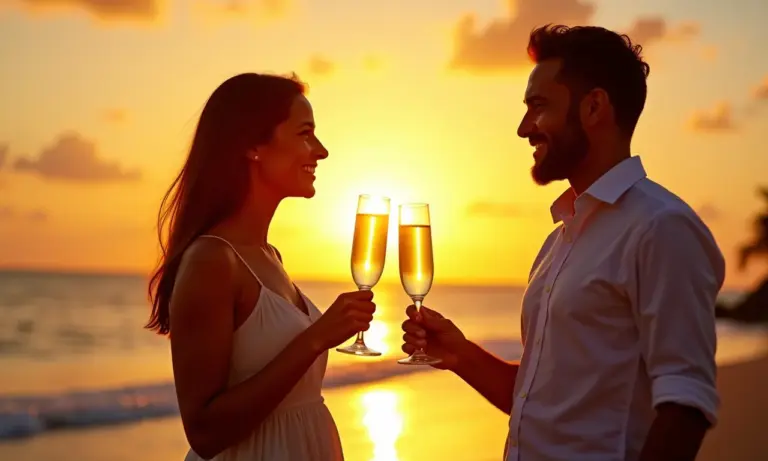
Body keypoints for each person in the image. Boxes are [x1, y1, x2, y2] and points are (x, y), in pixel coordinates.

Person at [401, 24, 724, 461]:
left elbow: (686, 404)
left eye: (538, 106)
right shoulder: (560, 240)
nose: (523, 128)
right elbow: (541, 400)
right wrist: (460, 354)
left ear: (594, 107)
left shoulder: (661, 227)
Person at [146, 73, 376, 461]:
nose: (321, 151)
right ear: (253, 146)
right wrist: (317, 337)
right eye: (305, 133)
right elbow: (204, 432)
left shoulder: (270, 256)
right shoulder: (211, 261)